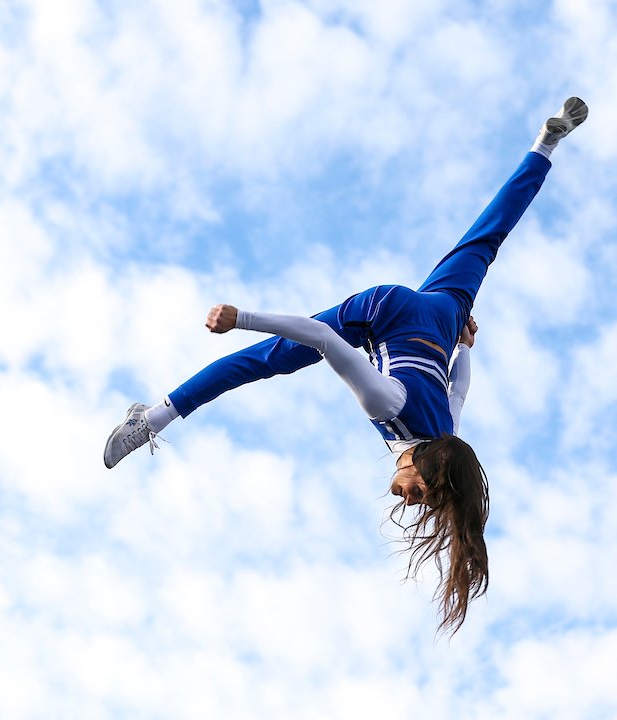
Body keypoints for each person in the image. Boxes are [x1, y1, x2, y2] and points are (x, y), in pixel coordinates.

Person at [104, 98, 588, 633]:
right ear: (425, 469)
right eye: (421, 494)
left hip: (445, 318)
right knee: (266, 362)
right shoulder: (390, 406)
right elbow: (322, 337)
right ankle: (152, 419)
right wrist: (242, 318)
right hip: (386, 312)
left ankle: (547, 141)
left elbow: (459, 389)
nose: (407, 499)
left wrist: (466, 342)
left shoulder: (448, 436)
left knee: (487, 238)